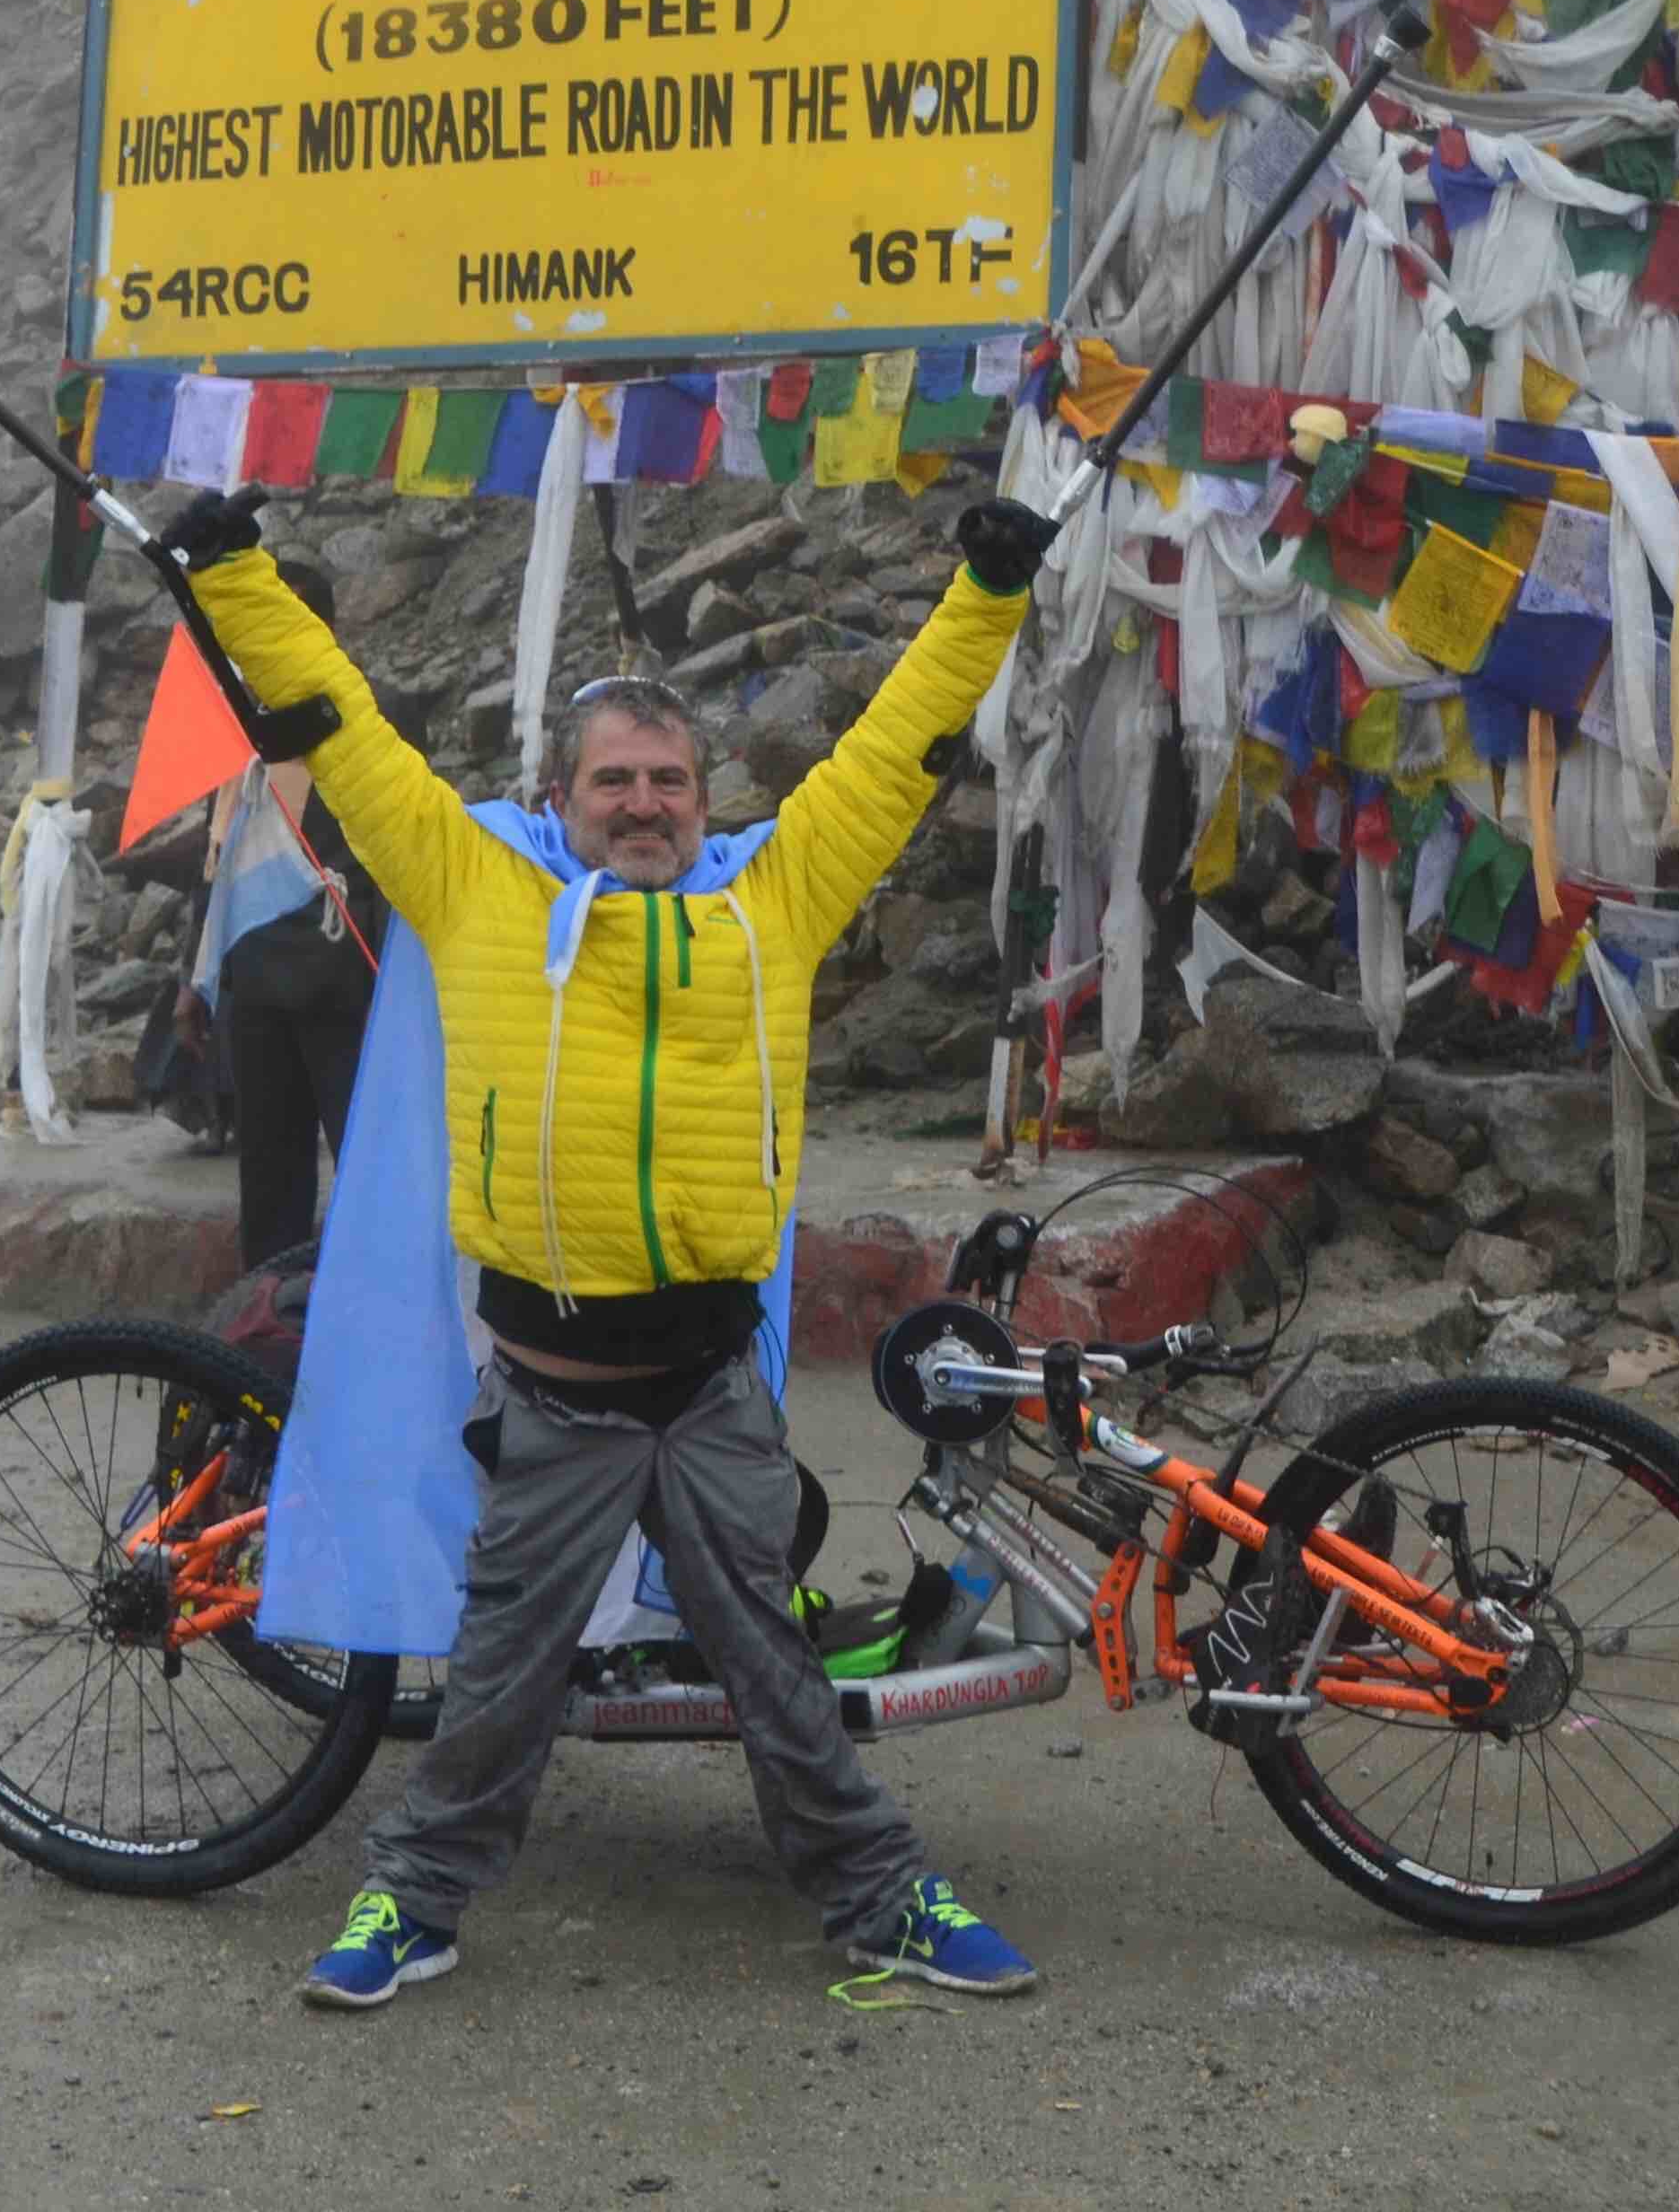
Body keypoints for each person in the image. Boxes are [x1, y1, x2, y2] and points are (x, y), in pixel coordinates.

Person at [166, 480, 1059, 2013]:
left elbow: (898, 752)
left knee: (772, 1672)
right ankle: (415, 1900)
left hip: (710, 1389)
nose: (644, 803)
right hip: (555, 1395)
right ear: (560, 794)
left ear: (701, 796)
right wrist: (231, 569)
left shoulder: (773, 900)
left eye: (668, 780)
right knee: (500, 1677)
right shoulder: (479, 892)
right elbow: (337, 723)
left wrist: (984, 592)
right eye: (614, 781)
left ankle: (878, 1893)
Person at [180, 559, 383, 1269]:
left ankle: (371, 1310)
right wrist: (194, 979)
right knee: (269, 1172)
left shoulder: (365, 729)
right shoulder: (238, 738)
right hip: (256, 984)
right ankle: (269, 1324)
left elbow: (397, 857)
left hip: (342, 984)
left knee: (365, 1158)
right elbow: (220, 862)